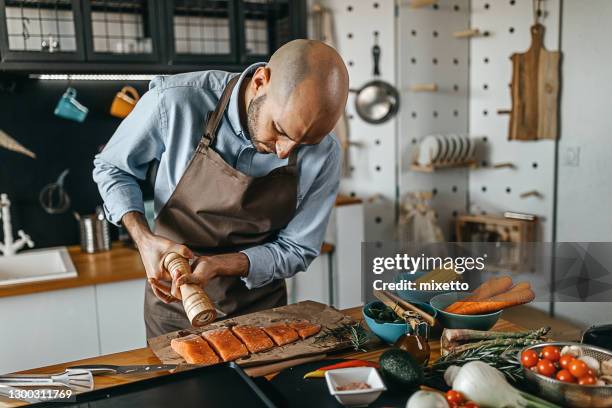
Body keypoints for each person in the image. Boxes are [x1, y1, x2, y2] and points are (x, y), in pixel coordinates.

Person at [93, 39, 349, 339]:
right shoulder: (175, 101)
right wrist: (144, 239)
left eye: (304, 144)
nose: (284, 152)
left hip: (263, 313)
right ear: (260, 82)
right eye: (279, 129)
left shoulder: (327, 154)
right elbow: (112, 167)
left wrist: (221, 265)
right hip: (175, 306)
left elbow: (297, 248)